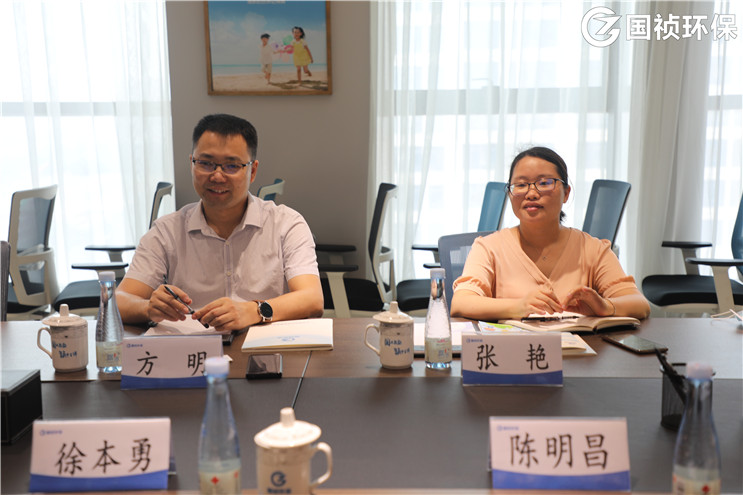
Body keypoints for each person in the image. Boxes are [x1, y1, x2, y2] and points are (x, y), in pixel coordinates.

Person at [116, 114, 324, 331]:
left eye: (231, 166)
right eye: (205, 163)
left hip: (265, 347)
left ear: (252, 171)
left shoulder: (286, 224)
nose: (217, 176)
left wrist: (253, 310)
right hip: (192, 348)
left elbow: (312, 299)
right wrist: (148, 307)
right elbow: (120, 300)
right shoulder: (167, 231)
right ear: (192, 164)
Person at [450, 146, 650, 321]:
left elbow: (639, 304)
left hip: (580, 352)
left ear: (566, 193)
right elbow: (461, 303)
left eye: (544, 183)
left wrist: (605, 306)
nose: (531, 193)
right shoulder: (488, 248)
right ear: (510, 194)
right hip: (513, 351)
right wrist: (518, 307)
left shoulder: (593, 249)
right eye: (521, 185)